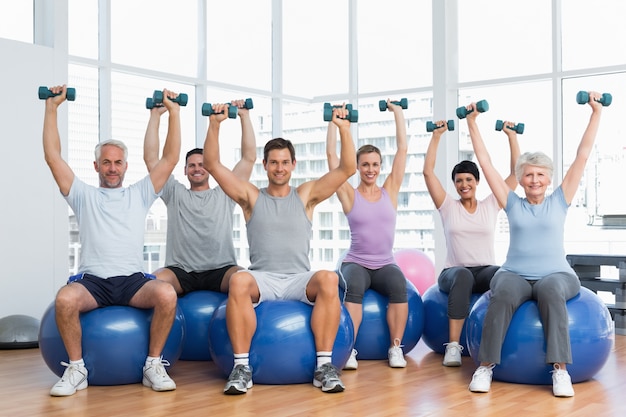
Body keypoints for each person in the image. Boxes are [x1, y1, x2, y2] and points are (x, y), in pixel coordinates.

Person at [204, 102, 356, 395]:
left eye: (285, 162)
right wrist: (215, 124)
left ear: (293, 165)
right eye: (273, 162)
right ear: (265, 165)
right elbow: (212, 164)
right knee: (238, 279)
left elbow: (348, 168)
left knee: (329, 278)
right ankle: (241, 368)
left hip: (298, 278)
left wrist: (344, 129)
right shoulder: (250, 197)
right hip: (264, 279)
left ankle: (324, 367)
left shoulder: (306, 195)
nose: (279, 168)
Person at [42, 85, 182, 397]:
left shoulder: (140, 193)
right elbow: (53, 157)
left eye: (118, 162)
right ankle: (77, 369)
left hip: (132, 281)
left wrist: (174, 113)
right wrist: (52, 108)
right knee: (65, 299)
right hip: (93, 282)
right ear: (96, 166)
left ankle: (153, 365)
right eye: (106, 162)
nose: (112, 168)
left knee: (167, 294)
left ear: (126, 166)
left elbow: (171, 157)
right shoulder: (82, 195)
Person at [464, 93, 603, 397]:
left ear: (549, 178)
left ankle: (560, 371)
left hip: (557, 274)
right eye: (529, 175)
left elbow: (582, 154)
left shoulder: (560, 200)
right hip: (514, 273)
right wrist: (472, 122)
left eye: (540, 174)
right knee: (501, 296)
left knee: (552, 292)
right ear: (521, 179)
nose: (535, 179)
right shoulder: (512, 203)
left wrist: (596, 112)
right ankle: (485, 367)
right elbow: (485, 162)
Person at [423, 119, 520, 367]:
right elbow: (428, 172)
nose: (464, 185)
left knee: (503, 274)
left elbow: (516, 176)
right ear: (454, 184)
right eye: (458, 180)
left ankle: (501, 339)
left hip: (485, 268)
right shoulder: (447, 206)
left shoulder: (491, 205)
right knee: (463, 276)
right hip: (453, 272)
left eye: (468, 180)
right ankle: (454, 347)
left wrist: (511, 137)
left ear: (477, 182)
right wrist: (436, 136)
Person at [327, 100, 409, 370]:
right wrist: (335, 124)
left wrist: (397, 112)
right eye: (364, 165)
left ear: (380, 166)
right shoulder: (350, 195)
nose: (370, 169)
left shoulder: (390, 191)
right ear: (358, 167)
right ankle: (349, 349)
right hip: (356, 262)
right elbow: (332, 158)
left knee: (399, 285)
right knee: (354, 288)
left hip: (386, 263)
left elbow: (403, 149)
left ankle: (396, 348)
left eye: (375, 164)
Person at [143, 99, 256, 295]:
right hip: (180, 271)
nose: (197, 169)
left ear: (210, 168)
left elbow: (249, 158)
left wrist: (244, 116)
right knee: (150, 284)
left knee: (245, 281)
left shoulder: (225, 192)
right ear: (185, 170)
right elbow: (152, 159)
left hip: (221, 270)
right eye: (192, 165)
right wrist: (155, 116)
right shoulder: (174, 193)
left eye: (202, 164)